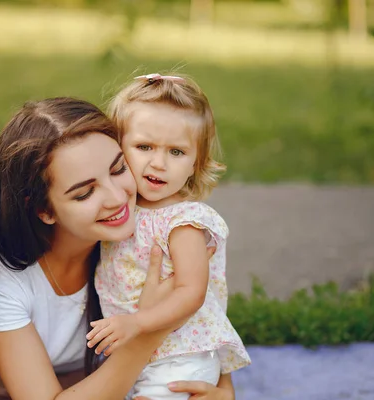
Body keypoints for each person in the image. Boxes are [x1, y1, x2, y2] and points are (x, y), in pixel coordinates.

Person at [0, 97, 234, 400]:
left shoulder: (139, 240)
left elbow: (198, 302)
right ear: (43, 209)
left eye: (118, 169)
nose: (117, 198)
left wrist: (223, 391)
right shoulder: (2, 280)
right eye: (85, 193)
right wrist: (151, 327)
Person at [87, 74, 251, 399]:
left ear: (195, 163)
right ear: (117, 149)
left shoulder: (182, 222)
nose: (158, 163)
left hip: (179, 355)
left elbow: (192, 292)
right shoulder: (123, 210)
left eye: (176, 152)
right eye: (144, 146)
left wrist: (137, 323)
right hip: (140, 351)